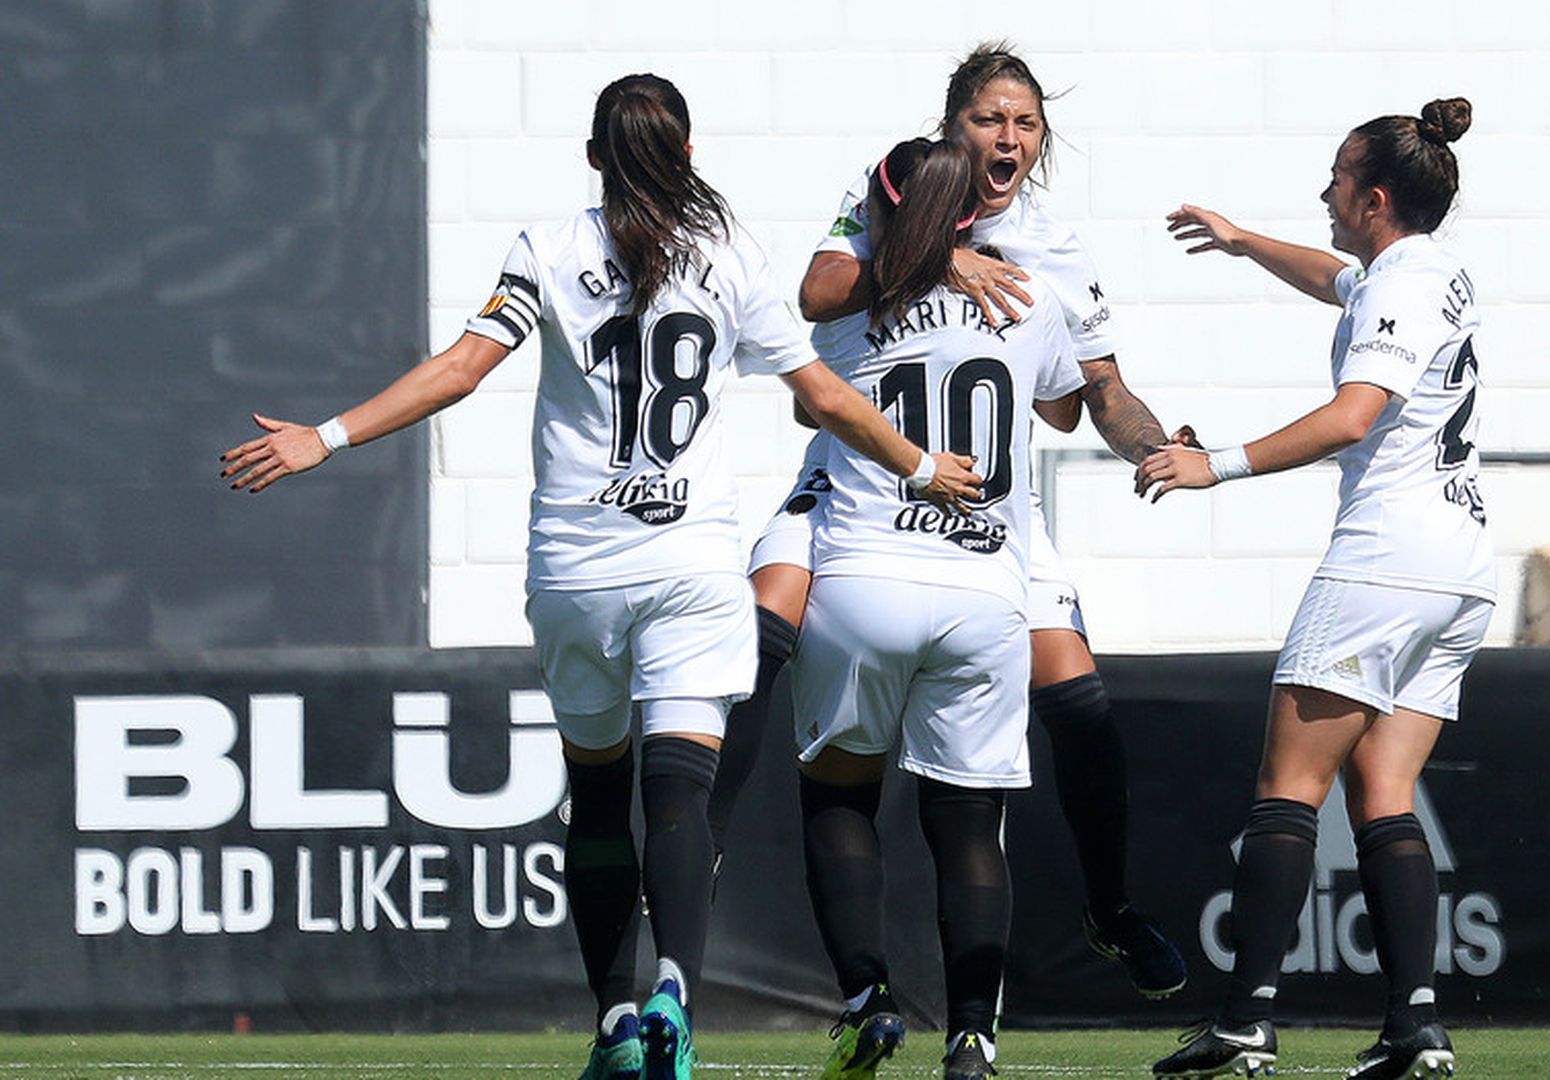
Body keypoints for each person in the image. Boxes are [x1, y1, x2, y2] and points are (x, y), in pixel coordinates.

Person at [219, 74, 978, 1080]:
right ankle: (675, 994)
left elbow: (459, 369)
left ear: (593, 158)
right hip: (692, 566)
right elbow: (828, 396)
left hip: (575, 566)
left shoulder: (549, 247)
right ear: (690, 155)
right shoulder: (733, 256)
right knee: (679, 794)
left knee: (598, 792)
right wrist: (920, 462)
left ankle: (616, 1022)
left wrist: (327, 435)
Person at [707, 41, 1189, 1001]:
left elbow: (1096, 391)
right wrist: (941, 252)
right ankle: (696, 848)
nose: (1008, 139)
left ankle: (1109, 908)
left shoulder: (1053, 248)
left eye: (1026, 125)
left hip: (988, 506)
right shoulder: (892, 189)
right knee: (765, 620)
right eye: (989, 120)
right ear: (950, 126)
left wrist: (1151, 450)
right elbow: (815, 294)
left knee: (1082, 707)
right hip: (860, 484)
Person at [1139, 98, 1490, 1080]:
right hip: (1462, 566)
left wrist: (1222, 465)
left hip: (1389, 557)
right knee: (1383, 788)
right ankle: (1416, 1026)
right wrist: (1247, 242)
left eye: (1337, 179)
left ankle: (1247, 1016)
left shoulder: (1393, 291)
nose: (1325, 193)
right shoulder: (1431, 273)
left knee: (1288, 786)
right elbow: (1341, 279)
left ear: (1374, 197)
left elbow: (1352, 416)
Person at [789, 133, 1086, 1080]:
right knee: (966, 827)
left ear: (883, 213)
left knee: (841, 798)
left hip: (865, 576)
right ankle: (972, 1035)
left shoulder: (856, 305)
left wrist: (904, 274)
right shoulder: (1029, 298)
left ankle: (869, 999)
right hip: (984, 591)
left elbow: (814, 404)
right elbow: (1068, 410)